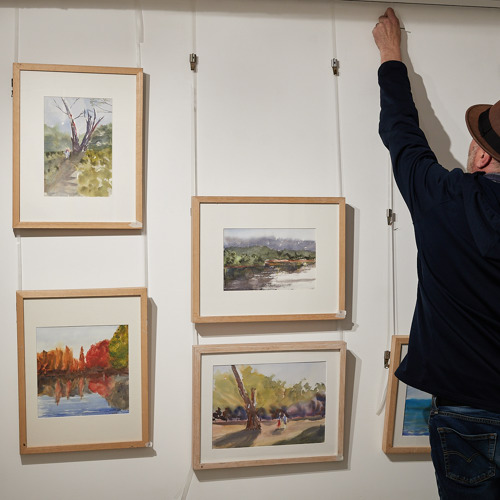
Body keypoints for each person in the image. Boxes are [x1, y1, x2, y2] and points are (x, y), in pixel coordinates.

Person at [373, 8, 500, 499]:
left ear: (482, 156)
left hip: (467, 413)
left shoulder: (442, 199)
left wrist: (390, 57)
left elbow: (402, 136)